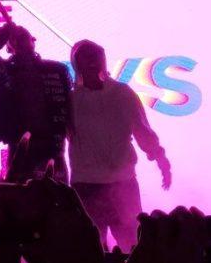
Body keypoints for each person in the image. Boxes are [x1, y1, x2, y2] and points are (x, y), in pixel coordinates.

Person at [68, 39, 172, 250]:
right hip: (86, 187)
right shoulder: (71, 100)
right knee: (91, 251)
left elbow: (143, 131)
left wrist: (161, 159)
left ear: (103, 62)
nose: (92, 63)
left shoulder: (122, 93)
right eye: (85, 59)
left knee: (132, 246)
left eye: (95, 58)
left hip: (121, 183)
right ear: (77, 65)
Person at [0, 10, 71, 183]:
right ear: (9, 47)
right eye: (15, 38)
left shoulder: (57, 70)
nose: (21, 37)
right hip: (20, 153)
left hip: (53, 150)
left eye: (25, 35)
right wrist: (5, 31)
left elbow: (71, 108)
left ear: (34, 40)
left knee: (57, 205)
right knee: (19, 205)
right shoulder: (5, 73)